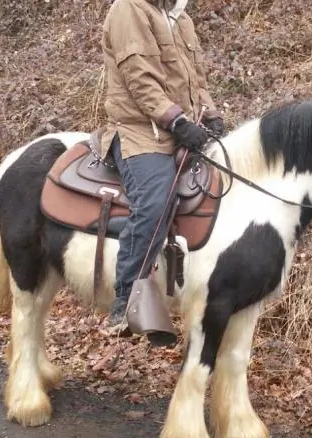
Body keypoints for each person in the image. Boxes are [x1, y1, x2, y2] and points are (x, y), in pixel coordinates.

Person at [99, 0, 223, 338]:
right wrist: (176, 120)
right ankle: (126, 301)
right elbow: (139, 78)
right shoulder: (129, 9)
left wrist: (211, 114)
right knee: (156, 201)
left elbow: (196, 79)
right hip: (142, 133)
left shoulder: (179, 17)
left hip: (181, 128)